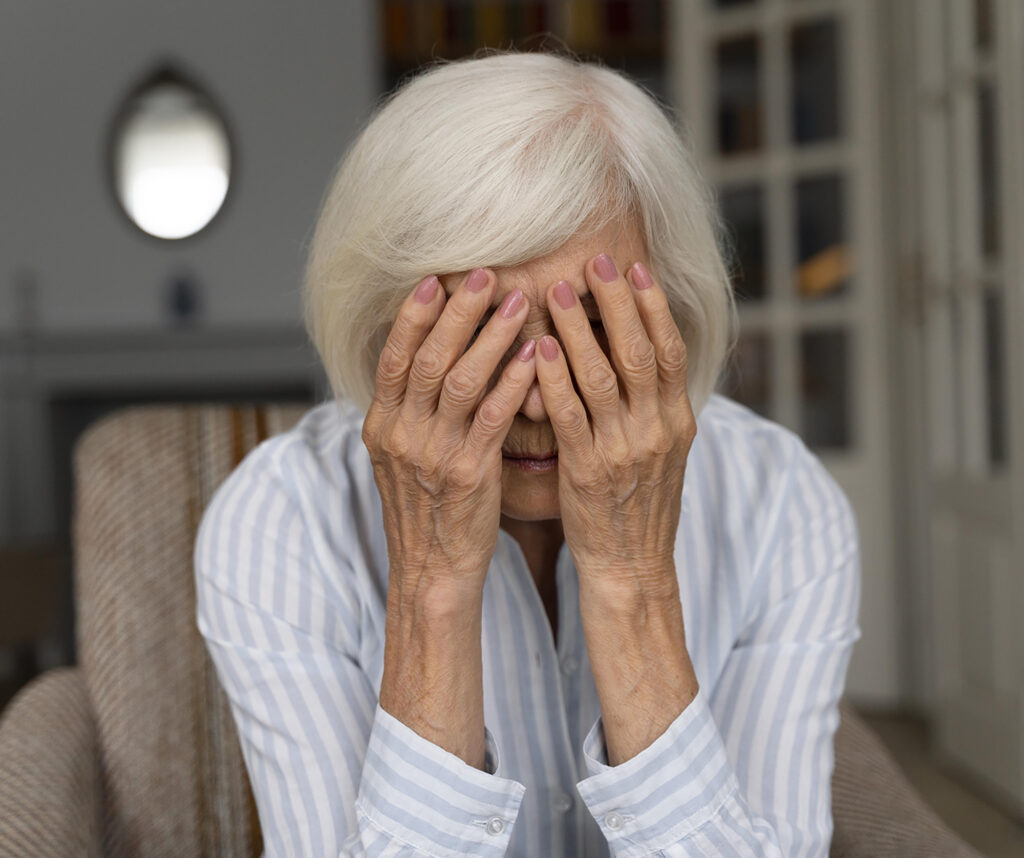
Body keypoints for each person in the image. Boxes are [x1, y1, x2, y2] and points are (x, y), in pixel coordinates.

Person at [194, 49, 861, 857]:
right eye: (482, 333)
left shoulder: (784, 504)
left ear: (673, 317)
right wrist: (433, 590)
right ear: (384, 335)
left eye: (592, 328)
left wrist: (632, 584)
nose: (543, 399)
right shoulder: (278, 522)